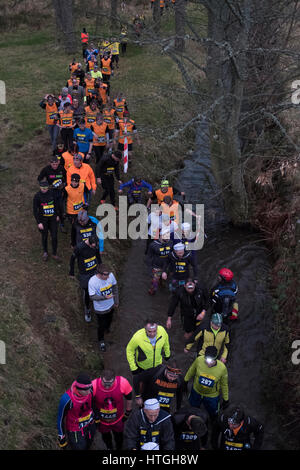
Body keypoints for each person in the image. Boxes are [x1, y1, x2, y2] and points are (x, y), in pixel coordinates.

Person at [184, 346, 229, 419]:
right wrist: (185, 381)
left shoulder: (222, 368)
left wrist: (225, 399)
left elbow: (224, 385)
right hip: (196, 391)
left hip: (212, 396)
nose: (208, 363)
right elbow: (191, 370)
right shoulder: (199, 360)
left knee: (213, 414)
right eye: (206, 359)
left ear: (216, 359)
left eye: (211, 361)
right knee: (192, 409)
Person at [92, 369, 133, 450]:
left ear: (115, 379)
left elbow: (129, 398)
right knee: (106, 437)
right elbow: (90, 402)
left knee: (119, 437)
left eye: (110, 383)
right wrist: (95, 416)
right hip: (102, 421)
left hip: (118, 420)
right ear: (100, 378)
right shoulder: (93, 385)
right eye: (105, 383)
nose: (107, 386)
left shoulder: (122, 382)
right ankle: (109, 447)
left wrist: (128, 412)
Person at [57, 372, 96, 450]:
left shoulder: (90, 390)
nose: (89, 391)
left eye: (90, 388)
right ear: (78, 389)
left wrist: (97, 417)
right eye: (86, 390)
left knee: (89, 445)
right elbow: (60, 418)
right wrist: (61, 437)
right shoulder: (67, 399)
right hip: (75, 430)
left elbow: (93, 404)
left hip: (90, 424)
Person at [69, 235, 102, 322]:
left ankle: (97, 302)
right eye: (92, 246)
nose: (93, 248)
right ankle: (87, 309)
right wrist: (71, 272)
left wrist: (101, 266)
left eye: (94, 246)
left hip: (95, 271)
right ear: (89, 242)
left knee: (97, 287)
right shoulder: (79, 247)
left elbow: (98, 255)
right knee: (87, 291)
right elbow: (72, 259)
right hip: (84, 274)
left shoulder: (95, 245)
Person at [88, 263, 119, 351]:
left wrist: (116, 301)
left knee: (109, 319)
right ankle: (101, 340)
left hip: (111, 305)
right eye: (106, 275)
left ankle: (107, 329)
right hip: (100, 309)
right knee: (101, 325)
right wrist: (104, 297)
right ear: (100, 274)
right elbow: (92, 296)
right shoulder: (92, 281)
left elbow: (115, 288)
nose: (109, 277)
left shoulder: (110, 275)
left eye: (109, 274)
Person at [33, 180, 62, 261]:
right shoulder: (37, 196)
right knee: (44, 236)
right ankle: (45, 252)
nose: (44, 190)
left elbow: (56, 205)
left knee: (54, 236)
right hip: (43, 220)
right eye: (42, 188)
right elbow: (35, 210)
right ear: (40, 188)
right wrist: (39, 222)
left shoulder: (52, 193)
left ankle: (54, 253)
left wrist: (57, 215)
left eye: (46, 188)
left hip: (53, 219)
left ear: (48, 188)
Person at [147, 230, 173, 295]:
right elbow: (149, 257)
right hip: (156, 266)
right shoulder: (153, 245)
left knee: (164, 280)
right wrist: (150, 268)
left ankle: (162, 284)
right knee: (155, 281)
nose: (167, 238)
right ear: (161, 236)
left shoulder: (170, 242)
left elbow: (172, 254)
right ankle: (152, 290)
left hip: (167, 266)